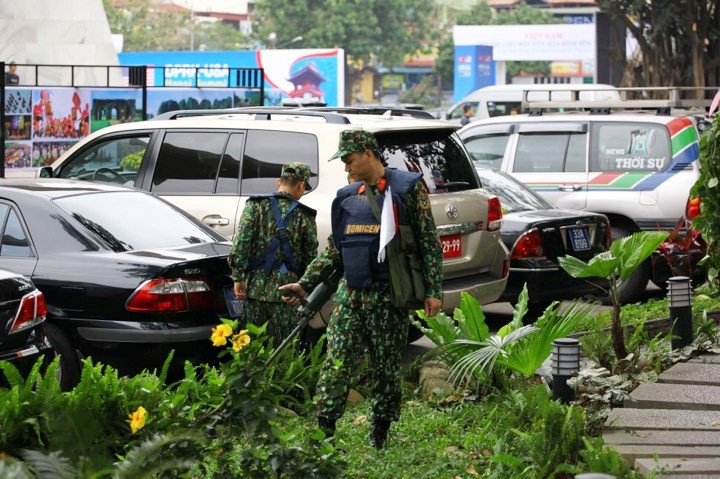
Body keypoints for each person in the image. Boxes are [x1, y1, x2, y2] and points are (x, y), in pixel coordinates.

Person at [280, 130, 443, 449]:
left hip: (389, 297)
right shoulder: (345, 197)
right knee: (336, 362)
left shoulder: (409, 188)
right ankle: (323, 433)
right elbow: (333, 249)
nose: (345, 167)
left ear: (369, 153)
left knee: (385, 368)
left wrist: (433, 289)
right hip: (350, 296)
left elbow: (428, 241)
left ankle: (379, 433)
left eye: (349, 159)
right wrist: (304, 283)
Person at [228, 162, 318, 345]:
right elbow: (311, 258)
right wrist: (304, 286)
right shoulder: (304, 215)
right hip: (288, 291)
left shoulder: (254, 206)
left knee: (252, 349)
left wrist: (238, 278)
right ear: (301, 185)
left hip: (254, 290)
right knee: (285, 351)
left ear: (279, 182)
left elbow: (240, 246)